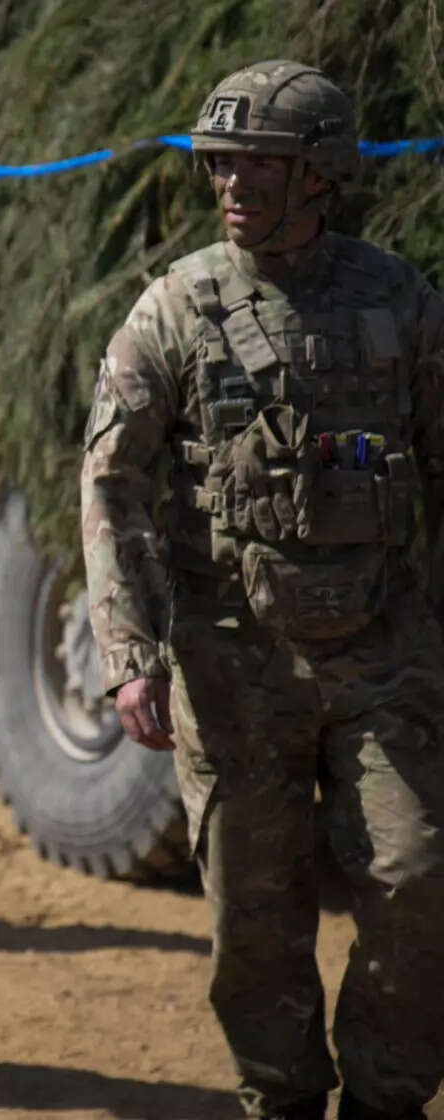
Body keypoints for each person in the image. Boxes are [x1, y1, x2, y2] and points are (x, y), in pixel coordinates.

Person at [81, 60, 444, 1120]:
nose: (234, 184)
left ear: (323, 173)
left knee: (418, 877)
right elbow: (109, 483)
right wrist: (129, 653)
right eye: (221, 164)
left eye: (260, 164)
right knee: (256, 913)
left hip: (384, 654)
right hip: (234, 663)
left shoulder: (400, 301)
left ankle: (388, 1098)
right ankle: (280, 1101)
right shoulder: (177, 307)